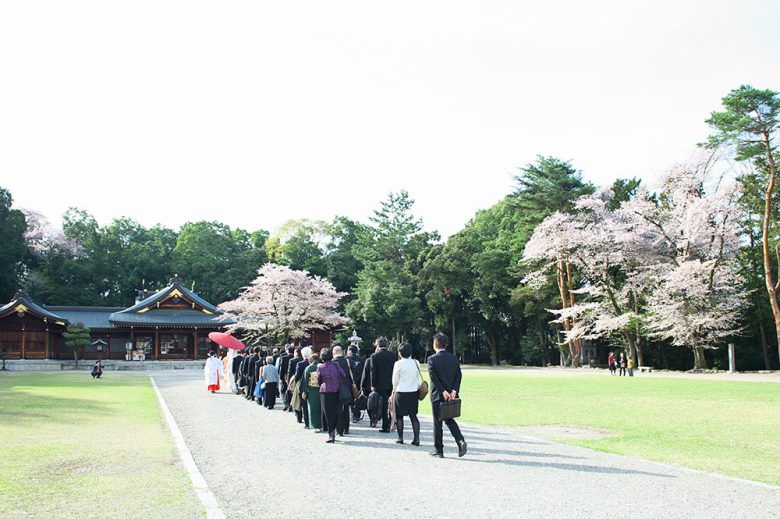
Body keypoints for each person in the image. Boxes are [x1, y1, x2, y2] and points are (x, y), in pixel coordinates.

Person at [428, 332, 466, 458]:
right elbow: (458, 375)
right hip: (451, 394)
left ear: (435, 344)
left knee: (437, 422)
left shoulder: (432, 359)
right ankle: (460, 440)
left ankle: (438, 450)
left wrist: (442, 391)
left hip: (438, 395)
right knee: (449, 419)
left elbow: (433, 377)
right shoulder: (454, 358)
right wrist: (454, 391)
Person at [392, 342, 421, 446]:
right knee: (413, 416)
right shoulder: (416, 362)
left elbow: (395, 380)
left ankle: (400, 438)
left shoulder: (398, 364)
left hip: (401, 392)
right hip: (413, 392)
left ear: (400, 352)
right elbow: (417, 377)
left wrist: (393, 391)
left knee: (399, 417)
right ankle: (416, 439)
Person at [317, 347, 347, 443]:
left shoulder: (320, 367)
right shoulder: (336, 365)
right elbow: (344, 375)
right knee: (336, 411)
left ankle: (331, 433)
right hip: (337, 390)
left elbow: (319, 380)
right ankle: (336, 430)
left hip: (325, 391)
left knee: (327, 413)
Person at [370, 336, 396, 433]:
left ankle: (385, 426)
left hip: (380, 383)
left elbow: (373, 372)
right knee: (391, 405)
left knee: (383, 405)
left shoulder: (374, 356)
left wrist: (373, 385)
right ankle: (391, 422)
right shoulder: (393, 355)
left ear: (377, 345)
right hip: (391, 382)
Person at [332, 345, 354, 435]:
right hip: (347, 387)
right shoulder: (347, 361)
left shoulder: (332, 362)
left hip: (336, 388)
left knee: (338, 409)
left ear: (334, 352)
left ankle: (339, 429)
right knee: (346, 408)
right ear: (342, 352)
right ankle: (346, 428)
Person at [302, 352, 322, 431]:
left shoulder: (309, 368)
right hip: (321, 389)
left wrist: (304, 391)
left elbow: (305, 380)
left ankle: (315, 426)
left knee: (313, 408)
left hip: (312, 389)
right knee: (321, 408)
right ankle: (322, 424)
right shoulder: (322, 366)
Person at [347, 345, 364, 422]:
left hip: (350, 382)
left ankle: (353, 414)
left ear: (350, 350)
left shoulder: (346, 360)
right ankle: (357, 413)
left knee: (350, 398)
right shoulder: (361, 360)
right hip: (359, 382)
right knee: (357, 397)